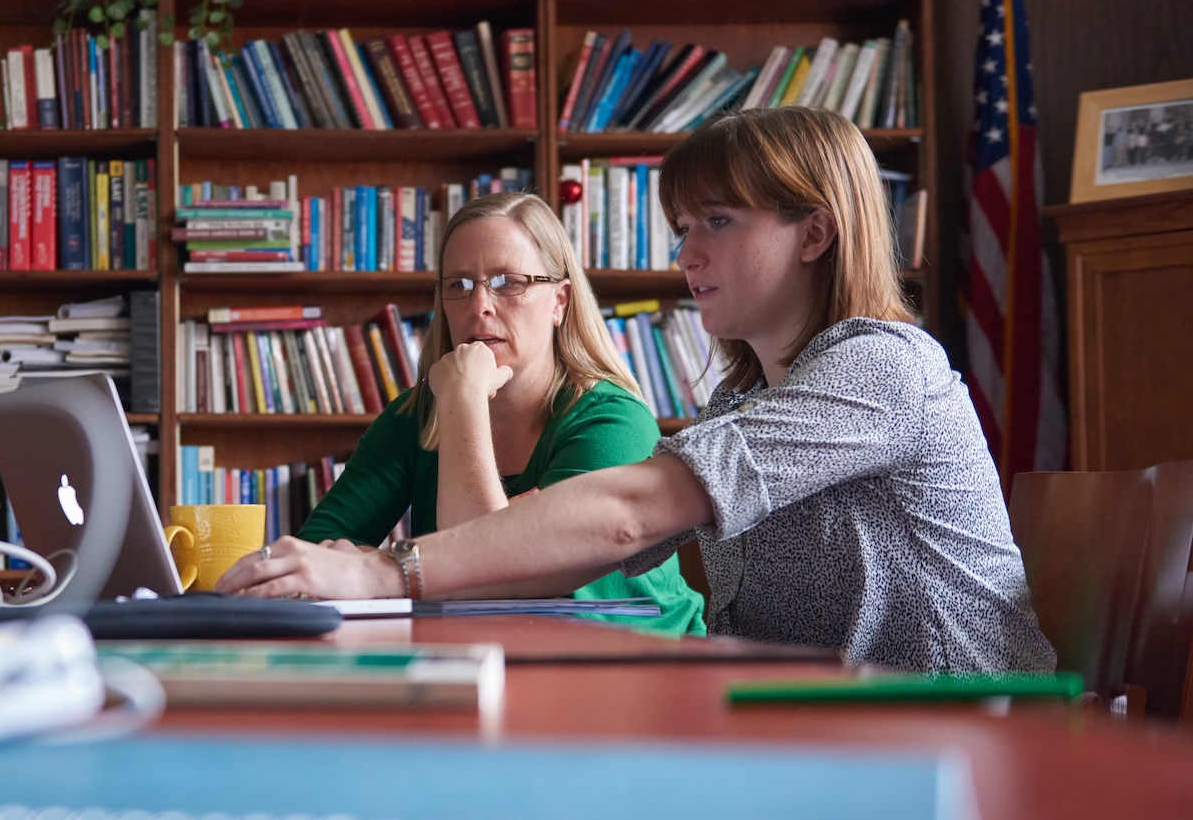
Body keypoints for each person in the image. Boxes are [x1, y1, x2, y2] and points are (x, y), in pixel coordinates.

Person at [220, 106, 1057, 673]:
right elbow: (564, 552)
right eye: (682, 229)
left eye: (717, 222)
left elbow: (628, 512)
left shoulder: (884, 367)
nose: (686, 255)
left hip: (959, 736)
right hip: (829, 737)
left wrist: (380, 573)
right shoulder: (742, 406)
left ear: (816, 232)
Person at [290, 192, 706, 635]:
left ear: (559, 302)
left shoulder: (612, 421)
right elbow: (313, 558)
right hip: (479, 658)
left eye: (509, 281)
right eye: (459, 286)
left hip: (635, 671)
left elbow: (488, 575)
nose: (479, 306)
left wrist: (465, 397)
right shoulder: (414, 418)